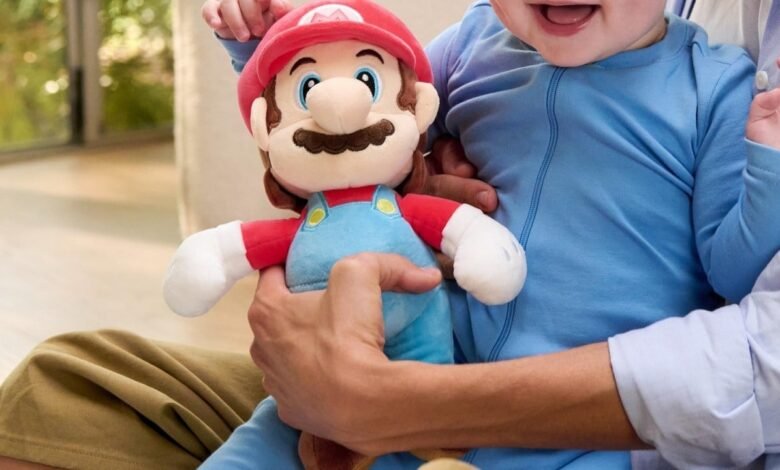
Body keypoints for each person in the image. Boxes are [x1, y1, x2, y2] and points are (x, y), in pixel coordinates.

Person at [0, 0, 779, 468]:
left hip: (568, 432)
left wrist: (766, 165)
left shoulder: (716, 90)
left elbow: (735, 263)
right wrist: (269, 39)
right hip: (409, 353)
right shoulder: (478, 40)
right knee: (84, 389)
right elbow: (364, 129)